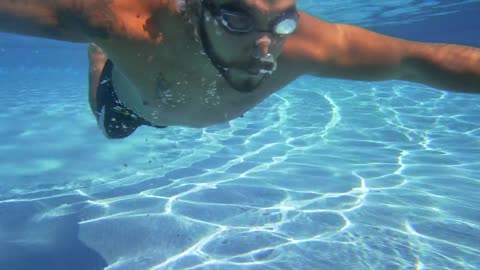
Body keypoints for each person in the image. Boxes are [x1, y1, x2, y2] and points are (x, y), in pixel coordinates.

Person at [1, 0, 479, 139]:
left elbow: (420, 59)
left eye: (282, 20)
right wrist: (100, 38)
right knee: (109, 129)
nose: (266, 44)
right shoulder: (124, 22)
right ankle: (96, 55)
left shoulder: (307, 43)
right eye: (238, 19)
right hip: (132, 104)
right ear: (194, 10)